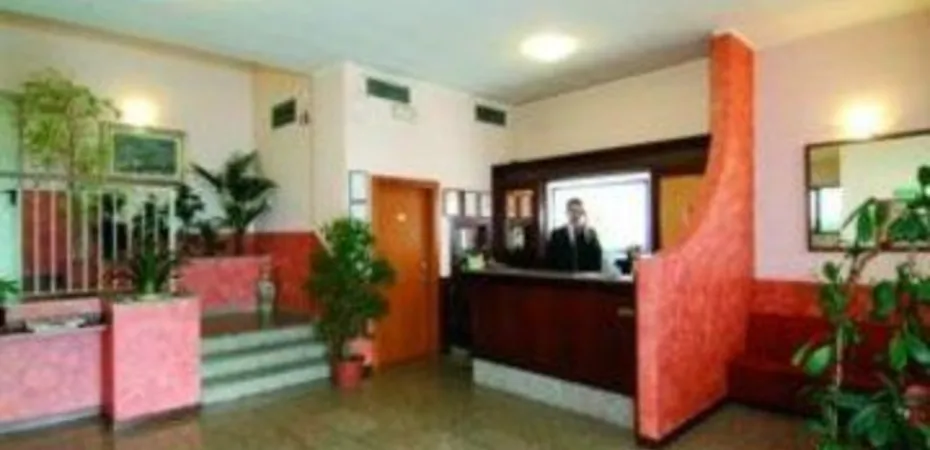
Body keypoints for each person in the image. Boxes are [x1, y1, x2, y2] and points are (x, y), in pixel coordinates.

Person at [546, 198, 603, 272]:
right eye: (572, 211)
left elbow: (597, 260)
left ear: (583, 214)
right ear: (566, 213)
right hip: (562, 276)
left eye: (579, 212)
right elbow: (551, 260)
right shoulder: (557, 234)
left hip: (585, 276)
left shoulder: (590, 234)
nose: (575, 215)